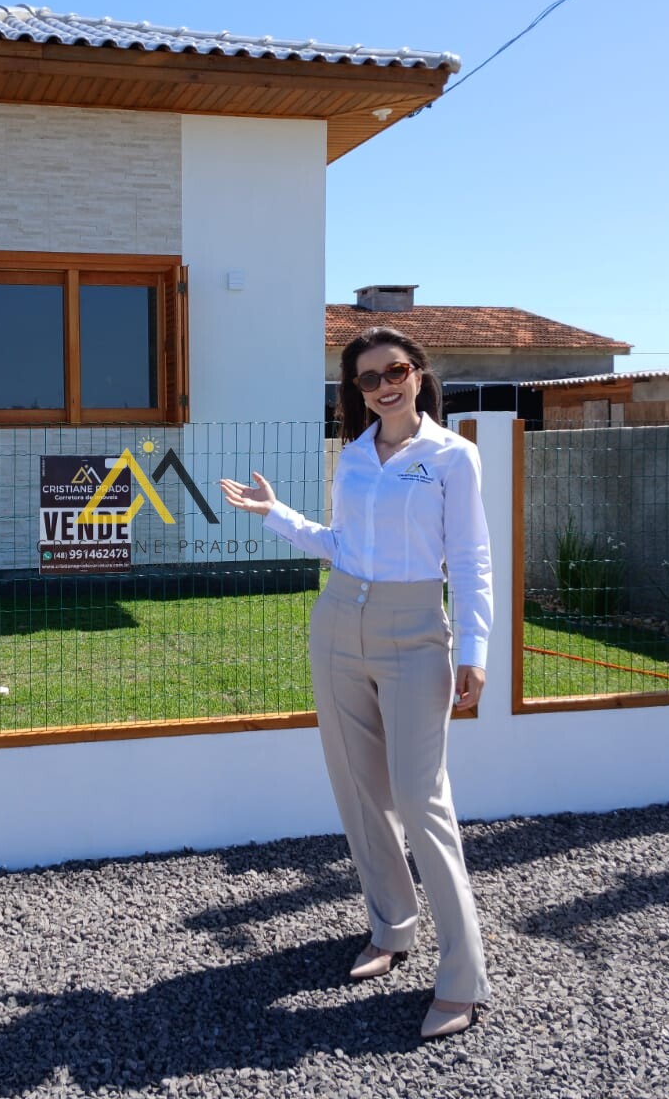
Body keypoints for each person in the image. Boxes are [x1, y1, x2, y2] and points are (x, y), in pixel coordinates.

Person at [218, 327, 493, 1039]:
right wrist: (273, 514)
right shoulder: (354, 459)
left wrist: (474, 646)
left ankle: (463, 976)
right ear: (357, 392)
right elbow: (342, 545)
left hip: (414, 634)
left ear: (419, 373)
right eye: (368, 379)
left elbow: (469, 559)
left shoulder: (452, 458)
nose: (384, 386)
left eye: (395, 370)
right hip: (339, 620)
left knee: (420, 799)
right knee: (360, 790)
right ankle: (392, 928)